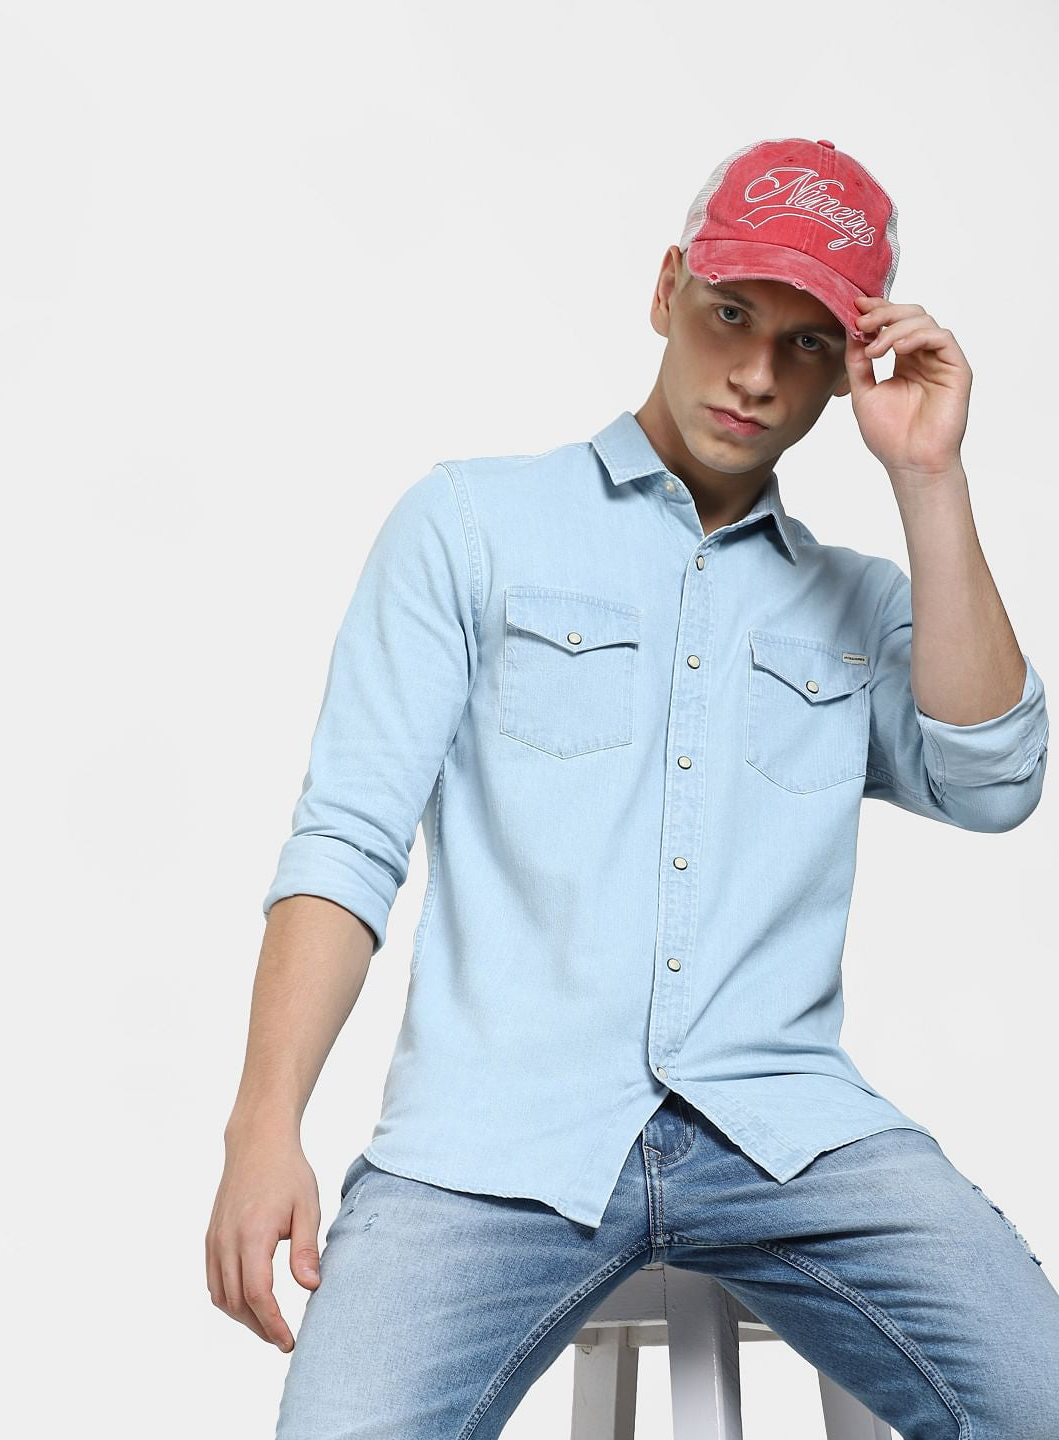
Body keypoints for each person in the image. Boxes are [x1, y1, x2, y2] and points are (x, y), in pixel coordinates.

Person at [206, 137, 1058, 1439]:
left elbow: (995, 781)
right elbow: (347, 840)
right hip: (492, 1150)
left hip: (788, 1139)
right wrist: (264, 1129)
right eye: (731, 315)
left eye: (807, 346)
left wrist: (928, 478)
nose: (757, 374)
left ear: (851, 369)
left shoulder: (870, 605)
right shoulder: (470, 526)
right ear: (667, 288)